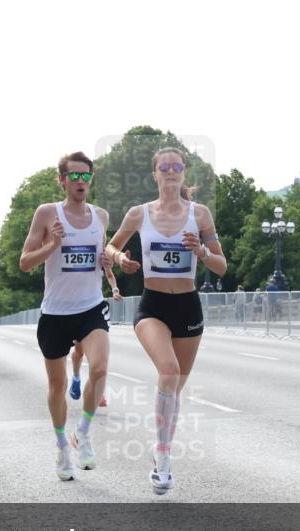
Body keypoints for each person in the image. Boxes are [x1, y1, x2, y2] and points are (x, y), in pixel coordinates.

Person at [104, 147, 227, 495]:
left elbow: (222, 265)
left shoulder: (199, 214)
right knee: (169, 371)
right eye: (164, 167)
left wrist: (202, 252)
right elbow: (109, 249)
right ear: (154, 174)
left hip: (188, 306)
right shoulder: (139, 214)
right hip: (153, 305)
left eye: (176, 166)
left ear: (184, 173)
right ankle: (162, 461)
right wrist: (120, 259)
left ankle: (163, 446)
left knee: (174, 388)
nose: (170, 171)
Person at [20, 151, 111, 482]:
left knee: (99, 369)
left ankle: (82, 433)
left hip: (91, 307)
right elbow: (25, 262)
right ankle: (61, 447)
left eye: (86, 176)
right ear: (62, 180)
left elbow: (104, 252)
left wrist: (113, 260)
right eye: (74, 176)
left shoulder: (100, 216)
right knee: (57, 386)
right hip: (55, 312)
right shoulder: (47, 213)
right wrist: (53, 245)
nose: (80, 181)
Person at [70, 266, 122, 404]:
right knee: (79, 351)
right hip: (75, 309)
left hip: (95, 310)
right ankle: (76, 377)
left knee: (99, 358)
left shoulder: (100, 253)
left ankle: (99, 392)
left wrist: (115, 290)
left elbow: (110, 275)